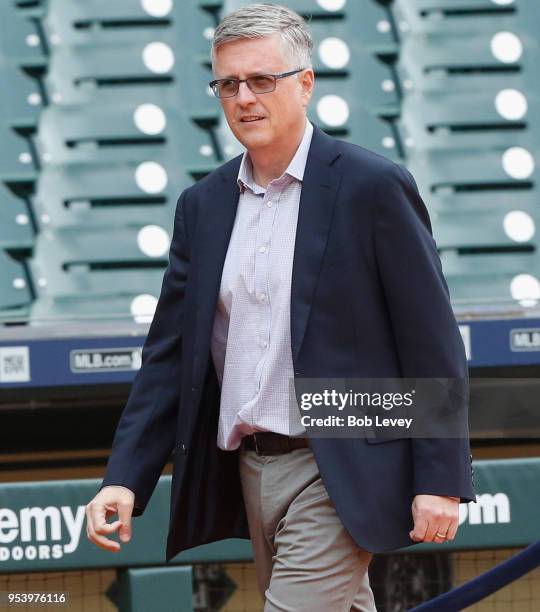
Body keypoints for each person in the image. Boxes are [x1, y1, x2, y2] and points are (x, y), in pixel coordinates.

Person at [86, 4, 475, 611]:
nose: (244, 97)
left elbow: (431, 340)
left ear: (305, 82)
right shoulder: (202, 206)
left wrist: (440, 480)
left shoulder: (372, 186)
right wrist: (123, 478)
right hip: (248, 468)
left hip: (342, 461)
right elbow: (169, 358)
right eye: (229, 83)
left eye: (262, 79)